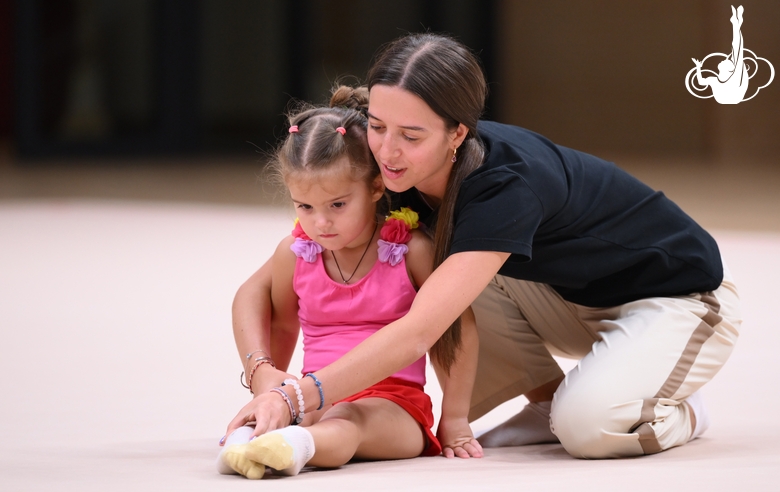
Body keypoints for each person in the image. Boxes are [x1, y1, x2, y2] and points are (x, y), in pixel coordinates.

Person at [225, 33, 741, 460]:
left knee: (588, 429)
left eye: (411, 135)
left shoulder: (503, 183)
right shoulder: (380, 164)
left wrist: (296, 396)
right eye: (378, 127)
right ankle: (546, 402)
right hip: (568, 297)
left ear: (457, 134)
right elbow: (260, 289)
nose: (388, 150)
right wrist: (262, 371)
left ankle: (674, 411)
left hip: (679, 300)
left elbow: (421, 329)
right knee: (449, 275)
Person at [217, 87, 482, 479]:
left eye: (337, 205)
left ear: (376, 187)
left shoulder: (411, 250)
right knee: (312, 413)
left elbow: (456, 330)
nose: (321, 222)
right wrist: (270, 387)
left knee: (349, 420)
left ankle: (298, 447)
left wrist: (455, 418)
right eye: (305, 207)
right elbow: (284, 323)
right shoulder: (295, 254)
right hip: (313, 395)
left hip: (395, 408)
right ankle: (254, 440)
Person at [692, 5, 748, 104]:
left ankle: (736, 23)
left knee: (737, 50)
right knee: (737, 51)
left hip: (731, 97)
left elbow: (737, 49)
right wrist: (698, 67)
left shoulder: (731, 78)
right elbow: (701, 82)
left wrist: (698, 67)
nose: (725, 59)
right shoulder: (717, 80)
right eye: (728, 60)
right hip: (729, 98)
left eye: (727, 61)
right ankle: (736, 23)